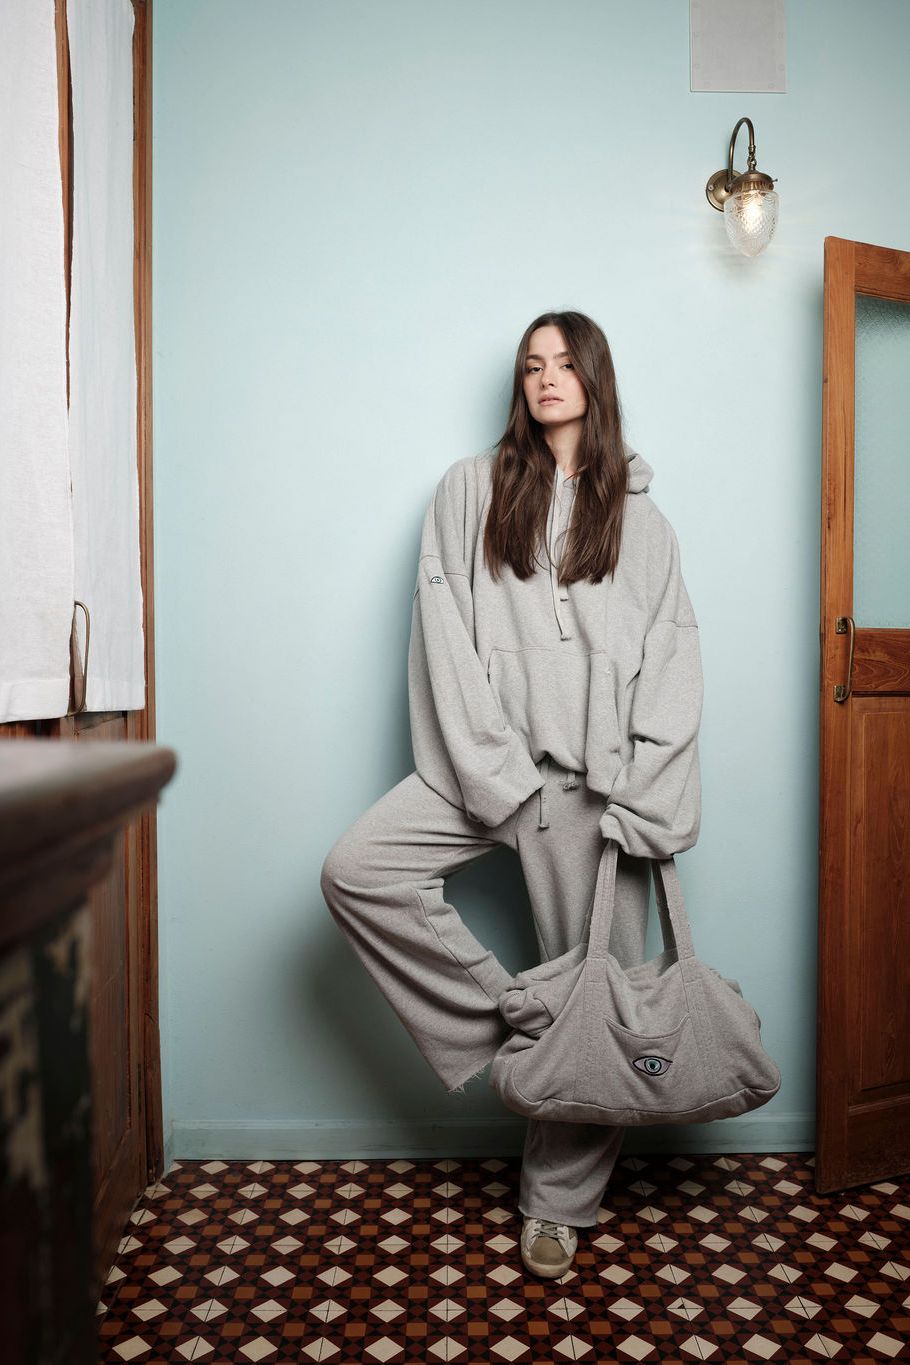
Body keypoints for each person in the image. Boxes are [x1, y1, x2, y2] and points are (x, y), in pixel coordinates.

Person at [320, 309, 703, 1280]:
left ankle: (559, 1206)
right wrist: (492, 771)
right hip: (484, 768)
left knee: (598, 987)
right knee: (358, 870)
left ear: (594, 379)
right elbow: (441, 629)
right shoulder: (469, 490)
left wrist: (645, 794)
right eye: (532, 365)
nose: (546, 378)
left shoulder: (644, 523)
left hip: (595, 791)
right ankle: (523, 1019)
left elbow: (673, 660)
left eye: (564, 363)